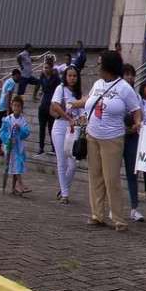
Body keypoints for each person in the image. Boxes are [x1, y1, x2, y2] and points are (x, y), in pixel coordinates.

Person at [85, 50, 143, 231]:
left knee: (111, 179)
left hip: (112, 139)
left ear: (108, 66)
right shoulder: (97, 84)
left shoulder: (124, 87)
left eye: (100, 63)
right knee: (95, 176)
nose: (97, 66)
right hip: (92, 136)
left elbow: (136, 110)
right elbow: (88, 101)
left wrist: (137, 123)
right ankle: (97, 215)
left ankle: (118, 219)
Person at [50, 65, 86, 203]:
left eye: (74, 76)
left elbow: (82, 112)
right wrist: (68, 117)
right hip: (60, 127)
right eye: (69, 75)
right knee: (62, 162)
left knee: (73, 164)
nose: (72, 78)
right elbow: (55, 105)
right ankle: (65, 194)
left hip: (73, 130)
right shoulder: (60, 88)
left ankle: (63, 188)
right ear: (65, 77)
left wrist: (81, 120)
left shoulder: (78, 93)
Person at [120, 65, 146, 223]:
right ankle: (113, 207)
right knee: (112, 173)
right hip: (117, 136)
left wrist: (136, 125)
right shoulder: (116, 94)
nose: (130, 78)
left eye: (132, 75)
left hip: (132, 137)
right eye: (126, 74)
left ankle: (134, 208)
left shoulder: (137, 96)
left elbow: (141, 115)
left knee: (132, 172)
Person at [35, 57, 60, 154]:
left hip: (52, 106)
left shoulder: (56, 78)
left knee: (51, 128)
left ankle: (54, 147)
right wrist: (39, 92)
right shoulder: (42, 76)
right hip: (43, 105)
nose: (45, 69)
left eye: (47, 68)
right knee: (42, 128)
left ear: (51, 68)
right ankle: (41, 148)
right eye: (44, 68)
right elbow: (39, 86)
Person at [0, 69, 20, 155]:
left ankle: (0, 147)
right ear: (15, 75)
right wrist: (8, 109)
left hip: (0, 105)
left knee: (2, 127)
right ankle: (2, 148)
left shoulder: (8, 80)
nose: (19, 78)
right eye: (18, 77)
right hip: (4, 107)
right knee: (5, 128)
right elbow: (9, 96)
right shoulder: (12, 83)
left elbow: (4, 93)